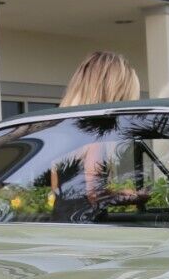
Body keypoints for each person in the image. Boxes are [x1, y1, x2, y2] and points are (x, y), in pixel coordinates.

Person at [54, 51, 146, 214]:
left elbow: (56, 189)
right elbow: (94, 194)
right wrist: (130, 196)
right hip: (88, 228)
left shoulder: (62, 132)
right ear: (115, 94)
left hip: (61, 224)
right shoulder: (96, 137)